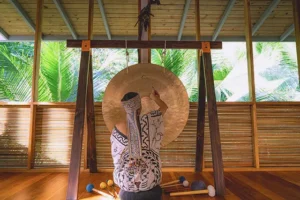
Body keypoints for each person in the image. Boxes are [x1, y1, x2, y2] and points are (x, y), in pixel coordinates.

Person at [110, 89, 168, 200]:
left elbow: (116, 157)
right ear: (140, 107)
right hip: (150, 182)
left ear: (125, 108)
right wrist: (156, 98)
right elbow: (164, 108)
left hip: (126, 184)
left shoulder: (117, 127)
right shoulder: (149, 121)